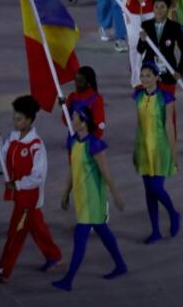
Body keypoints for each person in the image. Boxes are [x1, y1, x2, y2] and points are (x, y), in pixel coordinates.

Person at [0, 95, 62, 282]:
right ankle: (53, 255)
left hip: (28, 196)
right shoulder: (13, 137)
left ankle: (4, 270)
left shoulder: (37, 146)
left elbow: (38, 177)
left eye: (19, 118)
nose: (15, 121)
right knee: (36, 227)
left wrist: (16, 184)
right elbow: (0, 157)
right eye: (14, 117)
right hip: (19, 194)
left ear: (29, 120)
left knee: (15, 233)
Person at [52, 108, 127, 292]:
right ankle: (121, 265)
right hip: (81, 197)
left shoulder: (94, 144)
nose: (71, 120)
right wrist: (66, 192)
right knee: (103, 231)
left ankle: (69, 279)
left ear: (83, 122)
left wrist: (116, 195)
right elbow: (72, 169)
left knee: (80, 237)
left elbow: (105, 172)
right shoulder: (73, 142)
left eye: (74, 118)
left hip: (93, 198)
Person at [133, 63, 180, 244]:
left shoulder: (166, 98)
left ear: (156, 77)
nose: (144, 79)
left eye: (148, 75)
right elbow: (139, 124)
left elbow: (169, 125)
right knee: (148, 191)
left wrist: (173, 152)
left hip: (160, 147)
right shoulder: (137, 96)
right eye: (142, 75)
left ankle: (173, 213)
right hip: (143, 146)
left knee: (156, 187)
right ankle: (155, 230)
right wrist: (136, 149)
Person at [137, 0, 183, 93]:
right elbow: (140, 49)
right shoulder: (146, 25)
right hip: (149, 72)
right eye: (156, 7)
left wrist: (180, 71)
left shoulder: (175, 27)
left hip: (169, 71)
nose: (158, 10)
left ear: (168, 9)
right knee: (151, 104)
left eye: (162, 7)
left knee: (168, 102)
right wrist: (142, 41)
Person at [62, 66, 106, 140]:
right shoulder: (72, 97)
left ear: (88, 82)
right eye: (76, 80)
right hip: (73, 140)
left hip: (89, 141)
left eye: (80, 81)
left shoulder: (96, 99)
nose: (77, 84)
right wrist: (65, 107)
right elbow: (65, 121)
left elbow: (99, 124)